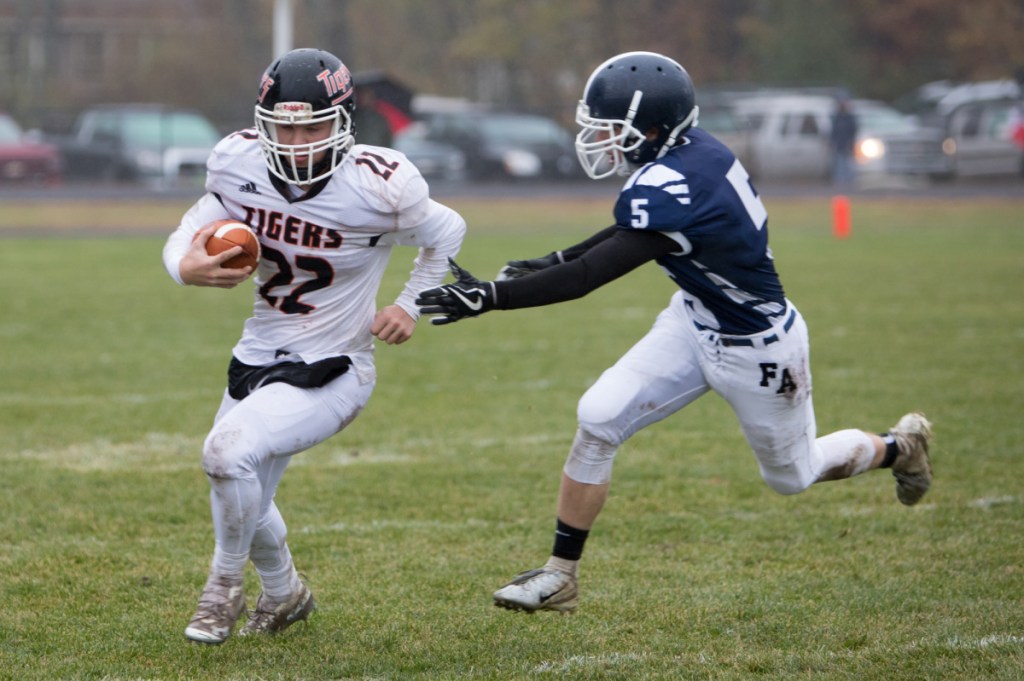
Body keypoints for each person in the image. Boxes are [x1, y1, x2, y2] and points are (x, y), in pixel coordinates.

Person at [415, 51, 932, 614]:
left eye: (612, 129)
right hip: (692, 320)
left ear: (654, 129)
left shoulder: (675, 186)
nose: (602, 141)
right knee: (598, 416)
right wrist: (557, 255)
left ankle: (899, 448)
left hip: (758, 347)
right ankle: (560, 575)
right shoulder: (690, 154)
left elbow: (592, 276)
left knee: (793, 475)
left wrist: (491, 297)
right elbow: (627, 233)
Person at [162, 47, 466, 643]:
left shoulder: (380, 184)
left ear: (345, 121)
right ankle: (286, 594)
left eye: (314, 125)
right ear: (262, 124)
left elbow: (448, 230)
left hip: (335, 365)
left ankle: (222, 587)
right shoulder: (237, 163)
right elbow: (193, 223)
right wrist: (184, 265)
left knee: (227, 455)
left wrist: (408, 304)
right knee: (241, 486)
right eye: (285, 126)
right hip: (256, 356)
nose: (299, 140)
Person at [830, 97, 858, 185]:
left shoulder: (849, 117)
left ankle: (849, 179)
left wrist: (851, 142)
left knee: (847, 162)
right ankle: (840, 180)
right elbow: (834, 131)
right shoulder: (837, 117)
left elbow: (853, 130)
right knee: (839, 162)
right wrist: (832, 141)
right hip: (839, 144)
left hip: (847, 143)